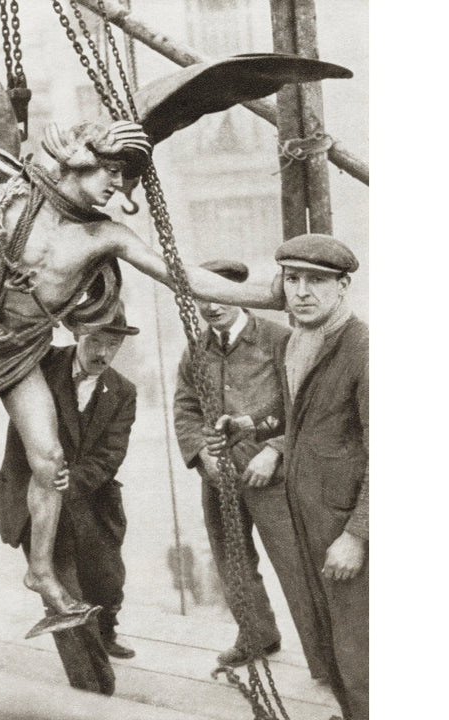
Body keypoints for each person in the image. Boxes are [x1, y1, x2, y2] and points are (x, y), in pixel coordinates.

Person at [0, 118, 284, 620]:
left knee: (50, 459)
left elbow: (183, 277)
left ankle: (40, 572)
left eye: (124, 178)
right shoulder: (12, 198)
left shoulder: (107, 235)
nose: (117, 187)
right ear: (81, 162)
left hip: (21, 350)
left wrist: (268, 295)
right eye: (111, 173)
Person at [205, 234, 368, 720]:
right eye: (292, 279)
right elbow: (301, 417)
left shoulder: (364, 349)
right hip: (309, 520)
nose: (301, 292)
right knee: (330, 636)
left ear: (343, 286)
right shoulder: (302, 338)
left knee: (361, 646)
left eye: (316, 281)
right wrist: (250, 426)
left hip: (343, 526)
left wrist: (356, 536)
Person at [173, 260, 328, 677]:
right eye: (200, 298)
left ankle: (325, 660)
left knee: (296, 565)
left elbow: (303, 405)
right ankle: (255, 635)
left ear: (239, 295)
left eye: (221, 296)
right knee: (231, 559)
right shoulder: (195, 350)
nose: (211, 307)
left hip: (274, 476)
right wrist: (201, 456)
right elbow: (186, 409)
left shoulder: (279, 340)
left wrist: (275, 449)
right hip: (218, 475)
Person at [0, 301, 139, 685]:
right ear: (78, 334)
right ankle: (93, 689)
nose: (102, 353)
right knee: (64, 596)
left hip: (92, 503)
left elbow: (112, 454)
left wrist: (74, 480)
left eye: (113, 344)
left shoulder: (123, 392)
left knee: (107, 585)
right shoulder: (38, 367)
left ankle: (106, 632)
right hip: (37, 505)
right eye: (95, 341)